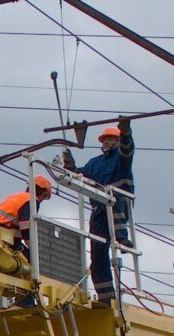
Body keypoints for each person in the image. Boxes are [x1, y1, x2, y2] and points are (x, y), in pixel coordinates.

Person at [63, 117, 134, 303]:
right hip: (99, 210)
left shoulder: (121, 157)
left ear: (117, 140)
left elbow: (128, 150)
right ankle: (106, 295)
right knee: (97, 253)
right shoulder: (94, 163)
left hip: (119, 203)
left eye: (111, 138)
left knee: (114, 199)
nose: (107, 142)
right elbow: (79, 175)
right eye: (105, 139)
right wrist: (69, 163)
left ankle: (122, 238)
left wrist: (126, 132)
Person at [0, 175, 54, 255]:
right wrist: (33, 248)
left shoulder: (17, 197)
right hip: (4, 237)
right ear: (44, 194)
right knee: (31, 260)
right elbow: (25, 227)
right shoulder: (31, 201)